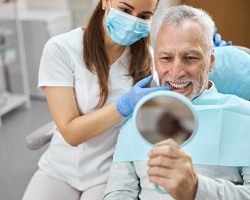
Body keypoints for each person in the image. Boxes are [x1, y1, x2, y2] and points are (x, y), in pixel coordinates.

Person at [22, 0, 171, 199]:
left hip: (109, 173)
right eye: (125, 10)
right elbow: (71, 133)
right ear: (105, 2)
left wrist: (206, 51)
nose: (132, 21)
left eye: (144, 17)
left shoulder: (147, 59)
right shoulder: (61, 49)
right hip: (59, 168)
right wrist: (124, 105)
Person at [103, 5, 250, 200]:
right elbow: (119, 192)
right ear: (155, 60)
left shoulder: (244, 117)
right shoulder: (137, 117)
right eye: (166, 58)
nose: (176, 72)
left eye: (190, 58)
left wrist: (196, 189)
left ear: (211, 61)